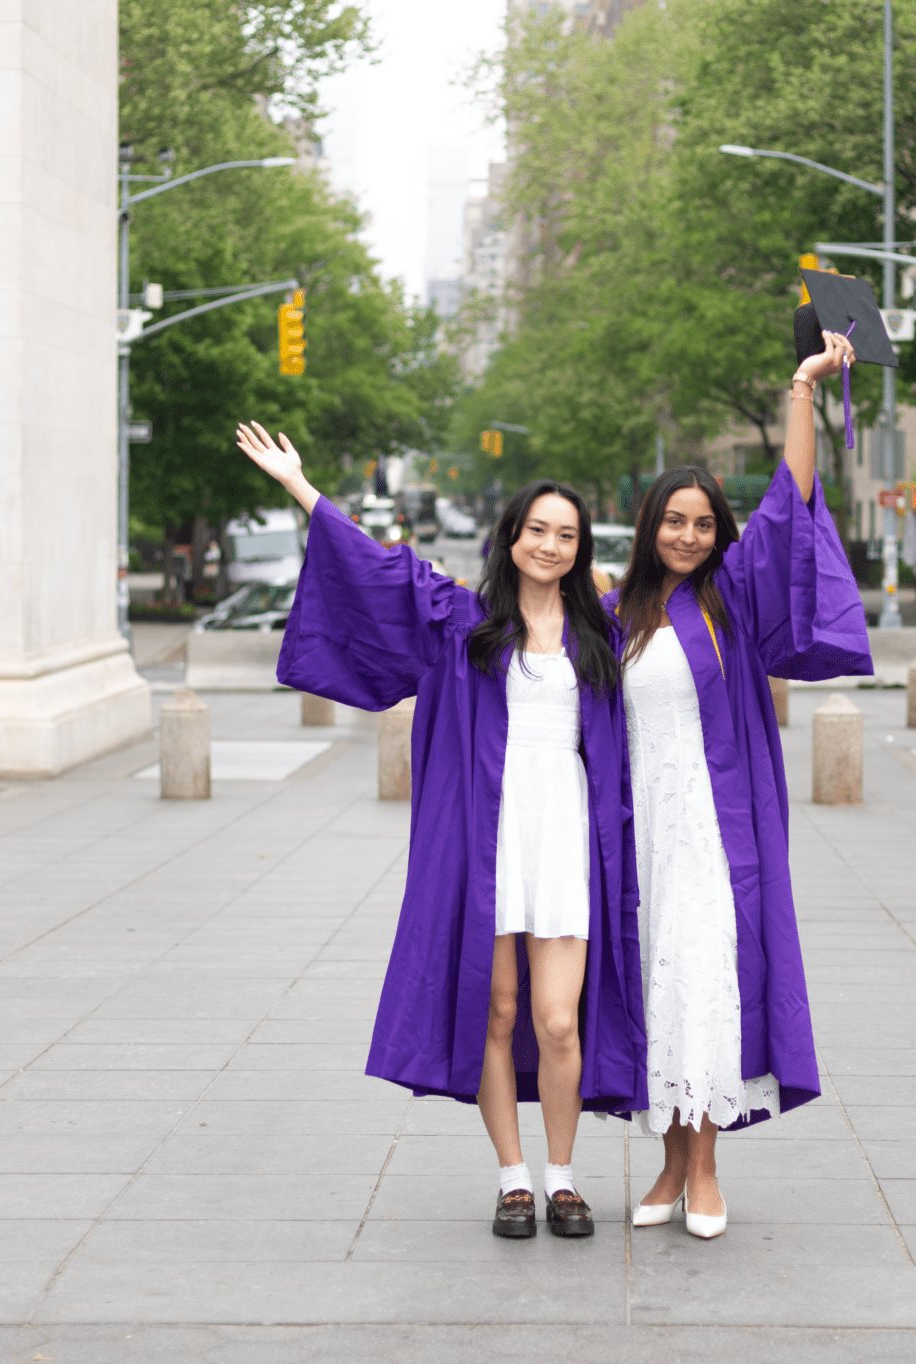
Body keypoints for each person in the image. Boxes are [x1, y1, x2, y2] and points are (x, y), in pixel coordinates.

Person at [235, 422, 646, 1241]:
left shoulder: (605, 628)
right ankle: (514, 1181)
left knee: (558, 1019)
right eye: (538, 531)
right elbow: (381, 574)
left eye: (567, 535)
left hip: (565, 826)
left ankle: (564, 1177)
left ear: (580, 547)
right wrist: (301, 487)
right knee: (497, 1011)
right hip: (487, 832)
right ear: (512, 537)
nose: (551, 546)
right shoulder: (465, 620)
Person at [608, 330, 873, 1239]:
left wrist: (802, 387)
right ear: (650, 528)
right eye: (672, 521)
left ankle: (707, 1165)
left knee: (709, 979)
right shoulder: (614, 617)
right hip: (640, 834)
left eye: (702, 522)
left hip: (718, 834)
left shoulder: (733, 600)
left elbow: (789, 504)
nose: (688, 535)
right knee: (656, 985)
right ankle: (670, 1161)